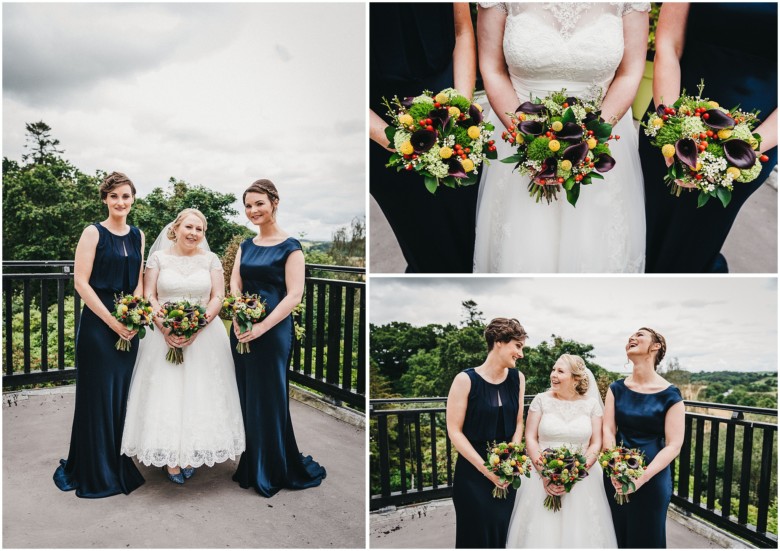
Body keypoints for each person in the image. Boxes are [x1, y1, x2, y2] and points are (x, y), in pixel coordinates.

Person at [473, 3, 649, 273]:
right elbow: (492, 68)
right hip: (517, 131)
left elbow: (630, 72)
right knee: (525, 243)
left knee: (593, 245)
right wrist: (527, 140)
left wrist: (590, 141)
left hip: (602, 138)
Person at [641, 2, 777, 272]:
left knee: (694, 244)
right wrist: (673, 126)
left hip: (755, 136)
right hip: (671, 110)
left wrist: (744, 149)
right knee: (643, 226)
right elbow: (669, 45)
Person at [121, 208, 245, 484]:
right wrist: (165, 326)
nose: (194, 233)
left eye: (199, 230)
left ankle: (191, 451)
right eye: (189, 227)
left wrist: (198, 324)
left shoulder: (210, 260)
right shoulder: (158, 258)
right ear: (175, 229)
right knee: (166, 392)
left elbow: (218, 296)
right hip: (161, 332)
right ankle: (170, 457)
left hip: (204, 335)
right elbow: (149, 295)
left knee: (201, 392)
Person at [230, 179, 326, 497]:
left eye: (259, 203)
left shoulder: (291, 246)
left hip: (273, 333)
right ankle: (252, 462)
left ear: (274, 202)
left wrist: (261, 327)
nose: (253, 210)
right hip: (243, 328)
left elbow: (294, 295)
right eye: (248, 205)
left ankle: (272, 466)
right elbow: (235, 285)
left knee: (270, 399)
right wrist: (240, 317)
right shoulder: (246, 245)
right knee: (248, 396)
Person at [53, 171, 146, 498]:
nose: (121, 202)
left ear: (133, 199)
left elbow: (137, 281)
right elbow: (81, 283)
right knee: (97, 398)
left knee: (121, 396)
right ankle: (94, 469)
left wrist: (136, 316)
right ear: (105, 200)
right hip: (97, 324)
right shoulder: (92, 232)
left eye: (126, 196)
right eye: (115, 196)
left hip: (128, 321)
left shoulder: (138, 235)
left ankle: (117, 463)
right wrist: (112, 322)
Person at [369, 2, 478, 273]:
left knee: (476, 239)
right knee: (431, 252)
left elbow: (462, 30)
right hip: (383, 126)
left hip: (452, 113)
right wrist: (396, 141)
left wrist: (461, 111)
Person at [506, 355, 617, 548]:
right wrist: (545, 473)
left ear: (576, 379)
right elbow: (530, 438)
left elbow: (596, 443)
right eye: (553, 369)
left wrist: (576, 472)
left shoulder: (590, 405)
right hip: (540, 473)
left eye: (560, 371)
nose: (553, 375)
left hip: (583, 478)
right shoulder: (541, 401)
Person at [446, 318, 527, 548]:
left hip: (507, 472)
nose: (520, 354)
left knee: (503, 534)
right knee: (476, 537)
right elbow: (454, 431)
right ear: (499, 342)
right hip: (473, 475)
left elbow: (518, 423)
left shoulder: (517, 378)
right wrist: (488, 470)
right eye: (518, 346)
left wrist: (511, 458)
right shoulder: (465, 380)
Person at [602, 328, 685, 548]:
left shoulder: (671, 394)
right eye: (630, 336)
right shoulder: (616, 389)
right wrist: (615, 467)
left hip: (652, 478)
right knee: (617, 535)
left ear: (655, 346)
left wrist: (641, 478)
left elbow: (674, 445)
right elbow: (608, 430)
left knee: (647, 537)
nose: (632, 338)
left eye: (640, 335)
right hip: (615, 477)